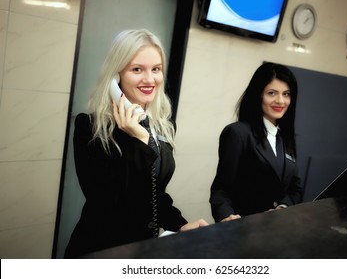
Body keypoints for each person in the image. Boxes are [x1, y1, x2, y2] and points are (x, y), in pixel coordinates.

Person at [65, 29, 208, 258]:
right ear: (116, 75)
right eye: (137, 69)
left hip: (145, 250)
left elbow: (154, 192)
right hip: (102, 249)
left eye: (156, 69)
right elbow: (108, 203)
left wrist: (180, 225)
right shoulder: (90, 127)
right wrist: (139, 141)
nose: (150, 79)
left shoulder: (161, 124)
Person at [209, 62, 303, 223]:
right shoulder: (237, 133)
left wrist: (282, 208)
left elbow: (295, 189)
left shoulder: (284, 137)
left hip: (276, 229)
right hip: (243, 229)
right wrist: (227, 218)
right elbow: (221, 191)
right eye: (272, 93)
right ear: (258, 94)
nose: (281, 101)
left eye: (286, 94)